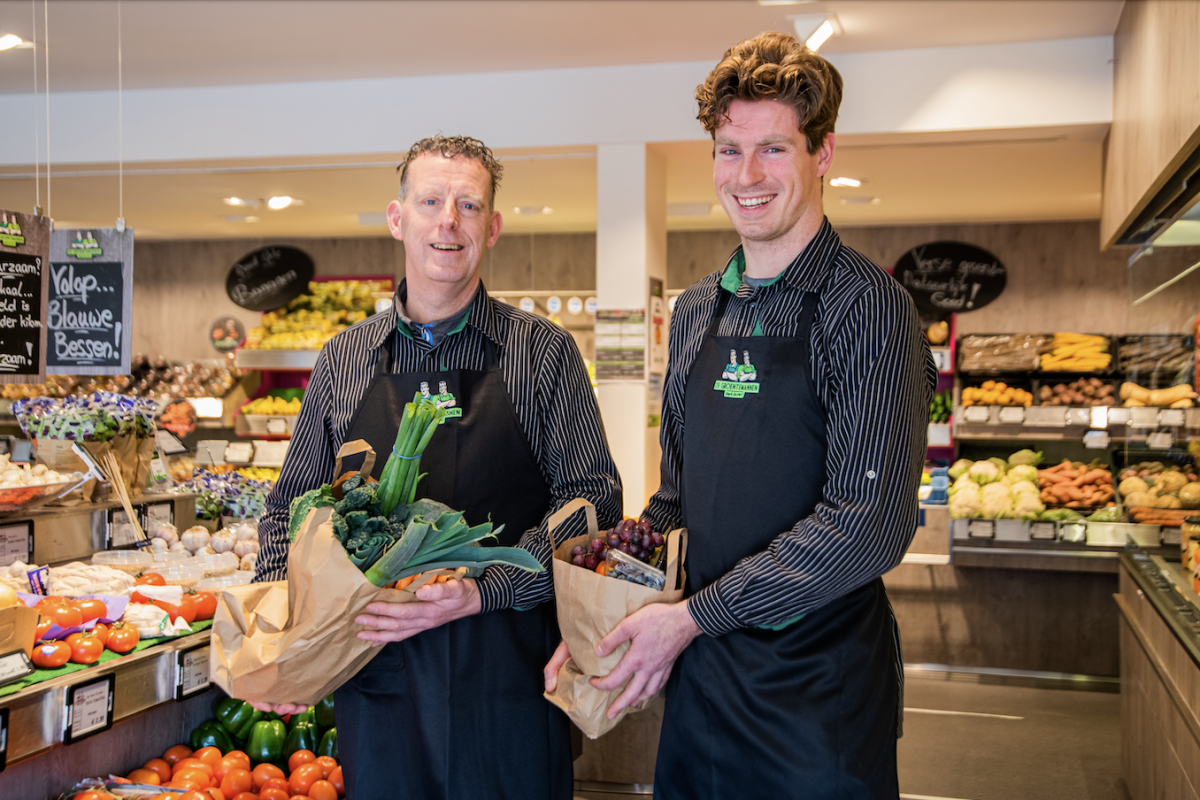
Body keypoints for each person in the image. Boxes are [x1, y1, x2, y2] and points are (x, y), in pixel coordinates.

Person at [546, 32, 935, 798]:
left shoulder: (869, 311)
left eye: (773, 150)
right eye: (729, 150)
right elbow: (676, 499)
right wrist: (603, 620)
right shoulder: (697, 310)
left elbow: (867, 526)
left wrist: (693, 617)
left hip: (817, 693)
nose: (746, 176)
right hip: (702, 681)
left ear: (823, 153)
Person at [254, 135, 622, 800]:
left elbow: (592, 501)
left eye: (468, 205)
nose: (448, 221)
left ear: (493, 227)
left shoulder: (543, 354)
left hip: (509, 677)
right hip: (378, 678)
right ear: (398, 219)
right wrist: (278, 629)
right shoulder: (344, 359)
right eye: (430, 202)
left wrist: (486, 588)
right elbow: (291, 506)